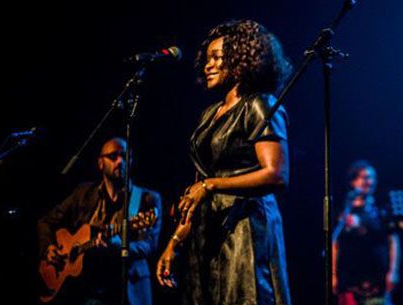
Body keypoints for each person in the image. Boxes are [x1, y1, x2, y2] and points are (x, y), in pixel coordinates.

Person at [155, 20, 293, 305]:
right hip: (210, 230)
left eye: (217, 57)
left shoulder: (259, 104)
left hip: (246, 228)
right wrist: (175, 241)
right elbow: (197, 190)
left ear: (241, 60)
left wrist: (211, 185)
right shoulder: (209, 115)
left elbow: (276, 174)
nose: (208, 65)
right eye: (207, 59)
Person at [37, 137, 162, 305]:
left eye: (125, 156)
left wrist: (117, 246)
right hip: (84, 288)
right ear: (100, 163)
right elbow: (46, 221)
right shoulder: (83, 193)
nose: (120, 161)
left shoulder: (146, 198)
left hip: (125, 286)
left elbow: (149, 245)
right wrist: (49, 248)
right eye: (113, 156)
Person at [332, 160, 400, 305]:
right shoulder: (342, 212)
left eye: (372, 178)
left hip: (377, 279)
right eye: (364, 177)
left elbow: (393, 241)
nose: (369, 181)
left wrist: (393, 272)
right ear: (353, 181)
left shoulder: (382, 210)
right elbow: (334, 244)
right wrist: (333, 275)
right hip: (349, 279)